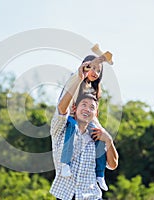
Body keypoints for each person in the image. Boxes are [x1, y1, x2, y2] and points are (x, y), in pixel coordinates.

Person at [50, 62, 119, 200]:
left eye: (92, 107)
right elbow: (62, 108)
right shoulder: (61, 130)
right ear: (74, 108)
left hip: (91, 196)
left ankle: (100, 178)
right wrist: (79, 78)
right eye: (84, 105)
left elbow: (113, 164)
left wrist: (109, 140)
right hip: (65, 196)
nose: (87, 109)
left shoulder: (97, 136)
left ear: (96, 113)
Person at [59, 55, 109, 191]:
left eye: (98, 71)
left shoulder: (93, 89)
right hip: (69, 116)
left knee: (99, 135)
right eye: (92, 68)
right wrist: (81, 71)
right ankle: (65, 163)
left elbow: (92, 115)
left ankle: (100, 174)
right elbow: (65, 106)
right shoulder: (76, 79)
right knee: (73, 126)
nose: (94, 72)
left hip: (86, 119)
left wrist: (101, 129)